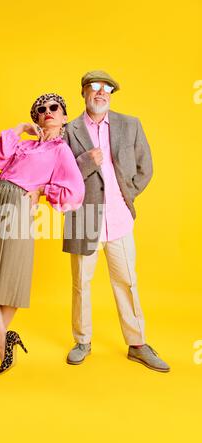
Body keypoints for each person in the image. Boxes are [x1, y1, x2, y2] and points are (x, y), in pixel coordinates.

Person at [0, 93, 85, 375]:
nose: (47, 111)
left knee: (10, 279)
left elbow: (74, 192)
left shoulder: (61, 151)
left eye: (54, 108)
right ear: (36, 117)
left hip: (18, 208)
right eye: (41, 109)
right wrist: (20, 128)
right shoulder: (24, 145)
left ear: (64, 117)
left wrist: (43, 191)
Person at [63, 70, 170, 372]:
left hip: (119, 218)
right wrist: (85, 162)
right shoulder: (69, 131)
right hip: (83, 219)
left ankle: (137, 344)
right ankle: (82, 341)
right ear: (83, 92)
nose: (101, 93)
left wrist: (128, 196)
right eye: (94, 88)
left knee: (127, 281)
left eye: (106, 89)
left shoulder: (130, 125)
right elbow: (61, 176)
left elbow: (145, 166)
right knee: (81, 283)